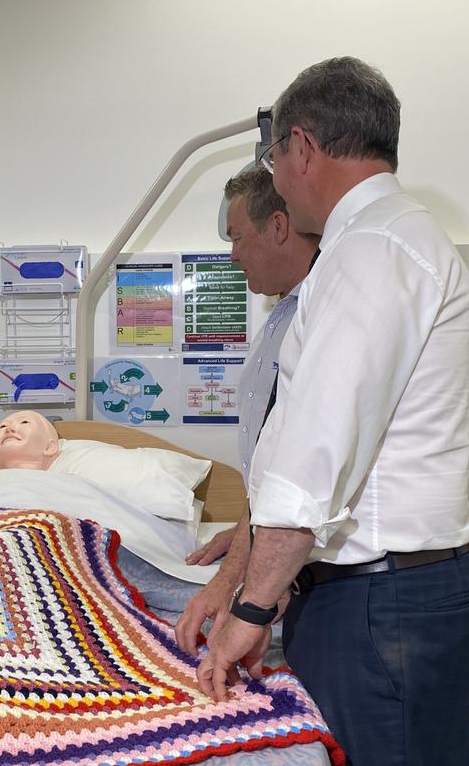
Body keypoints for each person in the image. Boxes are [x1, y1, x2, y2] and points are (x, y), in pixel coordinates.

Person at [193, 57, 469, 766]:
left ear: (301, 147)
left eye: (276, 158)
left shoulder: (373, 249)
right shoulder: (383, 241)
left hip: (382, 606)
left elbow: (313, 452)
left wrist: (251, 610)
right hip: (379, 599)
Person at [175, 168, 319, 638]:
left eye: (237, 238)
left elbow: (292, 469)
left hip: (309, 565)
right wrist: (242, 539)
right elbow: (266, 465)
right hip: (278, 540)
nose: (232, 255)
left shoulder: (317, 317)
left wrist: (230, 579)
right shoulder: (284, 313)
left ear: (278, 226)